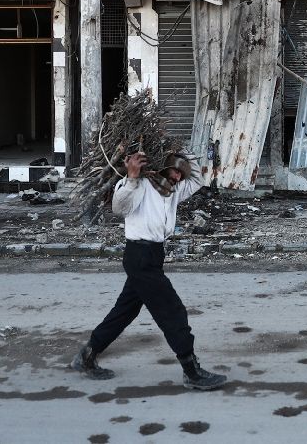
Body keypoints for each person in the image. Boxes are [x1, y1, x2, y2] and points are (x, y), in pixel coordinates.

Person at [71, 150, 227, 391]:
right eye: (175, 169)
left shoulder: (173, 191)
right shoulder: (139, 184)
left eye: (180, 172)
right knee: (172, 311)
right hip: (139, 256)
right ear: (163, 167)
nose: (178, 176)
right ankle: (191, 371)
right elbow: (119, 208)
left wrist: (188, 157)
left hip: (154, 256)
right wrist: (132, 177)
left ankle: (87, 354)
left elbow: (197, 181)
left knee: (125, 311)